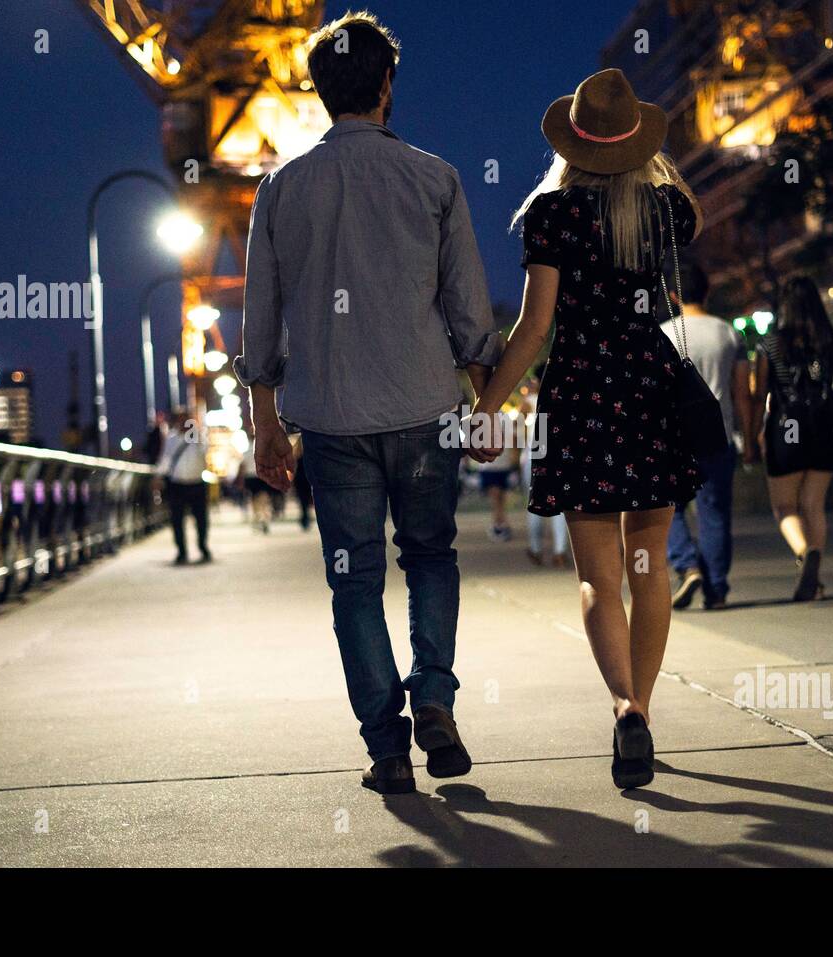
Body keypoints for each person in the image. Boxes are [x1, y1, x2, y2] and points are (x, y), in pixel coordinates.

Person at [234, 12, 502, 795]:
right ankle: (437, 699)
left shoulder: (280, 188)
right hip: (422, 408)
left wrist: (264, 428)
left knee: (354, 581)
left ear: (318, 93)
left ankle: (386, 749)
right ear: (388, 86)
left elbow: (259, 323)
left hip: (330, 417)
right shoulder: (437, 178)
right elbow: (470, 313)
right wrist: (484, 404)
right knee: (430, 558)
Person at [471, 68, 702, 790]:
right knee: (649, 562)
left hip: (582, 392)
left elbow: (535, 325)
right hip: (650, 384)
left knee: (600, 577)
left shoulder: (553, 215)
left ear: (572, 142)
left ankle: (622, 706)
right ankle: (645, 709)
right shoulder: (667, 209)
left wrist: (487, 406)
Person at [747, 276, 833, 601]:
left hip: (785, 430)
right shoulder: (830, 343)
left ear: (785, 306)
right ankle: (816, 576)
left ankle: (803, 553)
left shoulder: (770, 344)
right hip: (823, 430)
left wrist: (753, 437)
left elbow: (759, 395)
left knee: (784, 507)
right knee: (814, 506)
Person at [660, 260, 750, 610]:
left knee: (669, 509)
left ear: (672, 295)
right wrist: (750, 436)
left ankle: (686, 565)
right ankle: (717, 588)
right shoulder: (729, 334)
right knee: (714, 513)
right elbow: (742, 392)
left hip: (673, 438)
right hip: (718, 435)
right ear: (708, 291)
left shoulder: (664, 334)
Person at [519, 374, 569, 567]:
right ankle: (559, 551)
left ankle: (535, 548)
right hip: (558, 457)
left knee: (534, 506)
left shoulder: (531, 401)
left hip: (534, 457)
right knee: (560, 507)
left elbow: (517, 427)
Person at [155, 409, 211, 565]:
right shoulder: (171, 439)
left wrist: (196, 432)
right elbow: (165, 460)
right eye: (180, 420)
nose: (184, 423)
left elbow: (205, 451)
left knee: (201, 520)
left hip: (196, 483)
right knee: (177, 520)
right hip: (177, 484)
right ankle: (181, 552)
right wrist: (158, 477)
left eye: (186, 419)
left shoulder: (198, 436)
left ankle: (203, 547)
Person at [473, 410, 516, 541]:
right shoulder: (502, 417)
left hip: (498, 464)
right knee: (497, 497)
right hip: (492, 465)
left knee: (499, 498)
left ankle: (499, 525)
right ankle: (500, 525)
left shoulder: (483, 416)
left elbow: (513, 441)